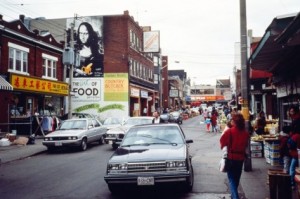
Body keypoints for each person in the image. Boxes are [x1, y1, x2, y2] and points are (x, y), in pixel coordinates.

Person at [220, 113, 249, 199]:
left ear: (234, 122)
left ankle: (235, 197)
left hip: (231, 158)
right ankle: (234, 196)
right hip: (240, 159)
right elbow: (246, 145)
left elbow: (222, 141)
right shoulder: (245, 133)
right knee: (236, 178)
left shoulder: (230, 131)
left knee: (232, 179)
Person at [288, 120, 300, 189]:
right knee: (294, 168)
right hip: (296, 154)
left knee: (292, 167)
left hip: (293, 153)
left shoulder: (293, 135)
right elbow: (299, 147)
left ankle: (291, 182)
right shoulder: (298, 136)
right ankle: (292, 183)